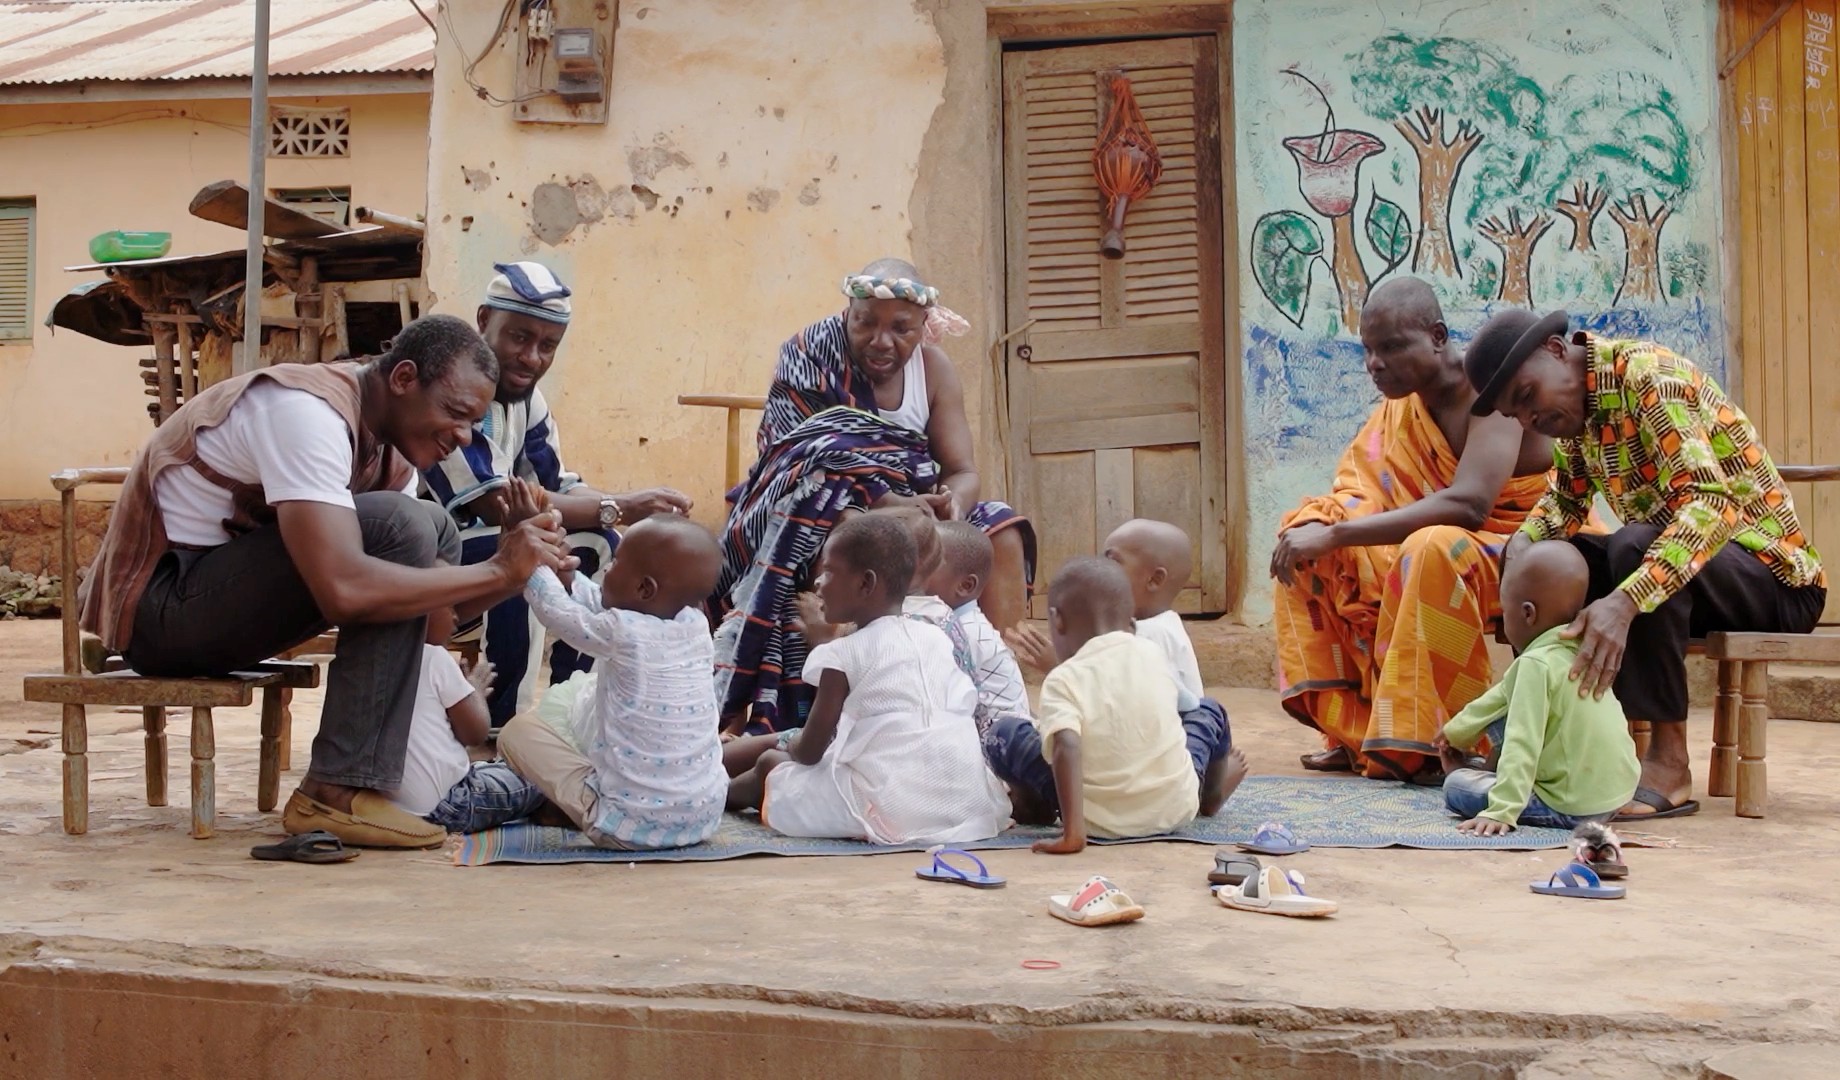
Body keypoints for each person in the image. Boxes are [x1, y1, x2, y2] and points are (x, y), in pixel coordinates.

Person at [80, 314, 574, 848]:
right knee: (403, 523)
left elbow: (433, 624)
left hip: (223, 611)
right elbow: (343, 590)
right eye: (455, 414)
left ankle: (352, 787)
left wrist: (521, 572)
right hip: (161, 615)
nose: (462, 438)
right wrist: (499, 567)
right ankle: (335, 791)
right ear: (403, 378)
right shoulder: (305, 412)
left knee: (430, 527)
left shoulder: (392, 456)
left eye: (473, 424)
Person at [1464, 308, 1827, 819]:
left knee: (1631, 549)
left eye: (1527, 398)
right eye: (1517, 417)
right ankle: (1558, 739)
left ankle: (1670, 762)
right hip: (1688, 579)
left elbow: (1710, 507)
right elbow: (1564, 506)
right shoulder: (1577, 419)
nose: (1530, 422)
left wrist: (1626, 601)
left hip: (1775, 582)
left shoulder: (1650, 379)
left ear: (1554, 349)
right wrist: (1518, 553)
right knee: (1557, 565)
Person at [711, 257, 1036, 735]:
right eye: (866, 323)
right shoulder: (808, 355)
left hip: (919, 510)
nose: (882, 341)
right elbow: (796, 463)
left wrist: (952, 504)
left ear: (924, 326)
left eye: (901, 328)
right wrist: (882, 503)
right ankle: (842, 699)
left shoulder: (934, 370)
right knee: (848, 535)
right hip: (828, 510)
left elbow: (962, 470)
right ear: (848, 314)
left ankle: (995, 694)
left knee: (1001, 531)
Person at [1271, 277, 1555, 782]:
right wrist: (1324, 527)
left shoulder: (1493, 390)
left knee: (1428, 549)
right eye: (1369, 350)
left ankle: (1440, 740)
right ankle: (1362, 732)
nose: (1375, 364)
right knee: (1305, 541)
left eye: (1392, 347)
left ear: (1438, 337)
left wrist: (1338, 534)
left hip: (1529, 548)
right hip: (1438, 546)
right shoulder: (1400, 410)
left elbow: (1470, 505)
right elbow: (1362, 492)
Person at [423, 261, 693, 727]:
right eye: (519, 337)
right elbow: (497, 502)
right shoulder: (455, 391)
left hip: (497, 543)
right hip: (433, 561)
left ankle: (571, 707)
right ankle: (501, 724)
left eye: (548, 345)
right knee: (530, 555)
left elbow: (558, 485)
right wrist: (619, 506)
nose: (532, 358)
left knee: (607, 547)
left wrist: (629, 517)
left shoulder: (527, 399)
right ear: (485, 321)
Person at [725, 514, 1010, 846]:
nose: (818, 582)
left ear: (866, 583)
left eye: (829, 571)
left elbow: (809, 752)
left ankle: (718, 797)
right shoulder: (936, 638)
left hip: (891, 811)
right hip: (965, 804)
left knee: (771, 763)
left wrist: (787, 746)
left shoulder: (842, 653)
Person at [496, 511, 729, 850]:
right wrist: (570, 578)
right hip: (703, 818)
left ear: (644, 588)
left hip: (627, 827)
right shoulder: (694, 628)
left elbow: (559, 613)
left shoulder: (623, 632)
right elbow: (605, 605)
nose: (607, 569)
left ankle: (585, 805)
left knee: (517, 732)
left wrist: (533, 568)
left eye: (616, 563)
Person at [986, 558, 1239, 855]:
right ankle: (1209, 797)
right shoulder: (1152, 653)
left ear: (1057, 621)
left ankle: (1035, 807)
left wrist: (1074, 834)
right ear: (1131, 624)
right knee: (1211, 710)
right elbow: (1189, 706)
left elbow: (1066, 745)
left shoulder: (1064, 678)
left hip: (1099, 822)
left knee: (1004, 733)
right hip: (1175, 809)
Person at [1436, 542, 1640, 834]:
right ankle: (1501, 776)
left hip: (1571, 808)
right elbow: (1500, 696)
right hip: (1614, 797)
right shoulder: (1583, 650)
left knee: (1456, 787)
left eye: (1504, 613)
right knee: (1517, 708)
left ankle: (1495, 784)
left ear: (1528, 613)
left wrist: (1501, 811)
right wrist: (1455, 733)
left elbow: (1522, 741)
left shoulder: (1535, 663)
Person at [387, 570, 548, 834]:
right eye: (451, 606)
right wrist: (474, 692)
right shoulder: (434, 658)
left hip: (386, 808)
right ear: (421, 611)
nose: (456, 617)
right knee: (539, 775)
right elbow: (476, 732)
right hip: (448, 806)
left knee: (491, 770)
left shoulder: (378, 656)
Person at [930, 520, 1031, 742]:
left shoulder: (964, 634)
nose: (914, 571)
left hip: (998, 755)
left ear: (965, 586)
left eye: (929, 564)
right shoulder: (961, 623)